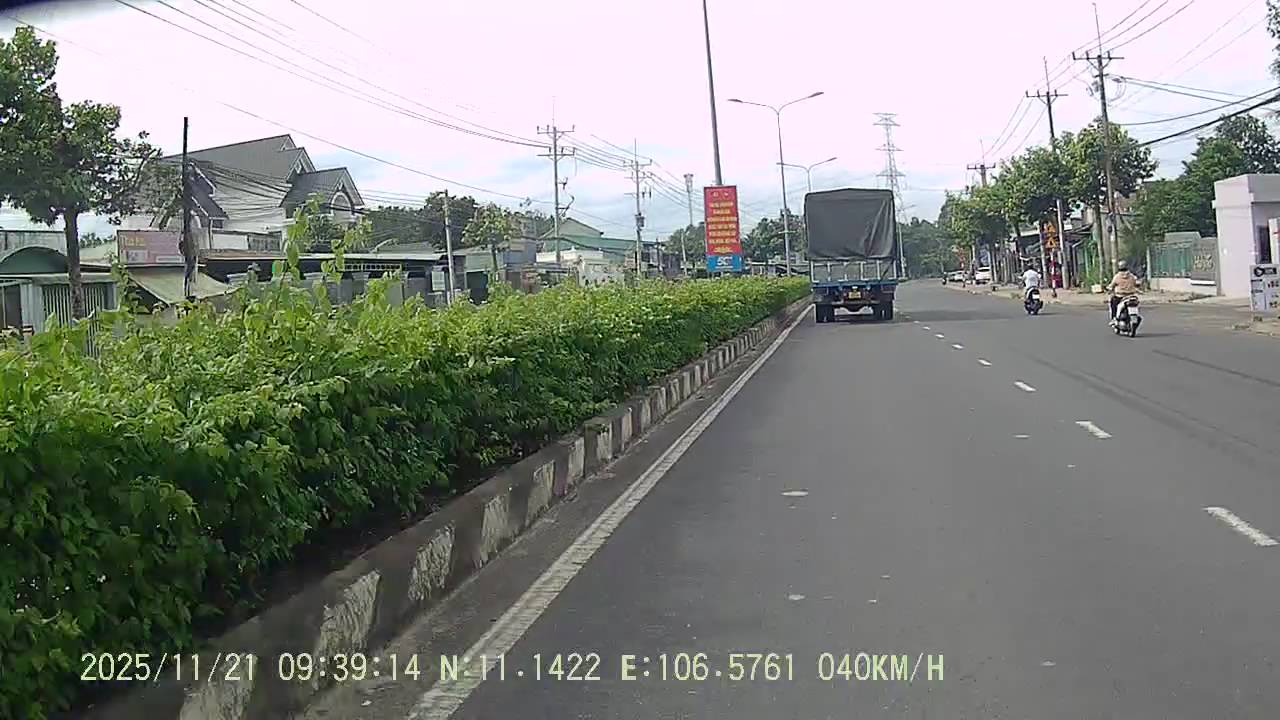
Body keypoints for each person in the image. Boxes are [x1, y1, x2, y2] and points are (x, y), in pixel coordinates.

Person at [1107, 260, 1140, 325]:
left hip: (1120, 296)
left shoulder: (1117, 276)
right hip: (1131, 296)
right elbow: (1136, 283)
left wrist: (1109, 288)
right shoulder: (1132, 276)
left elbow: (1112, 285)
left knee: (1113, 303)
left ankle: (1114, 318)